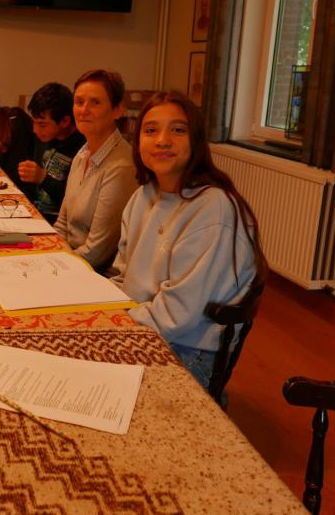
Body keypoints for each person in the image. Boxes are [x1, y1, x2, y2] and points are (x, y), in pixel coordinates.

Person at [109, 91, 268, 392]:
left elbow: (177, 316)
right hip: (146, 325)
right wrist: (101, 311)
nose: (162, 140)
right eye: (150, 130)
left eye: (178, 130)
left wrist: (113, 323)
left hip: (190, 348)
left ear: (195, 140)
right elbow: (122, 276)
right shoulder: (142, 197)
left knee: (98, 386)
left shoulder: (212, 208)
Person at [54, 70, 136, 270]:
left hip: (93, 274)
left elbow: (97, 252)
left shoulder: (122, 166)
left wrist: (55, 267)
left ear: (117, 110)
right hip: (67, 259)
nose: (84, 110)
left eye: (95, 102)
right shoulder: (82, 155)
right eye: (79, 101)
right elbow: (62, 224)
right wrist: (50, 254)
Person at [17, 82, 85, 223]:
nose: (35, 130)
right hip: (35, 215)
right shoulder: (46, 137)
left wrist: (43, 178)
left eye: (42, 124)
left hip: (59, 223)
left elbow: (78, 201)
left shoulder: (83, 148)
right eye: (34, 122)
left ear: (65, 121)